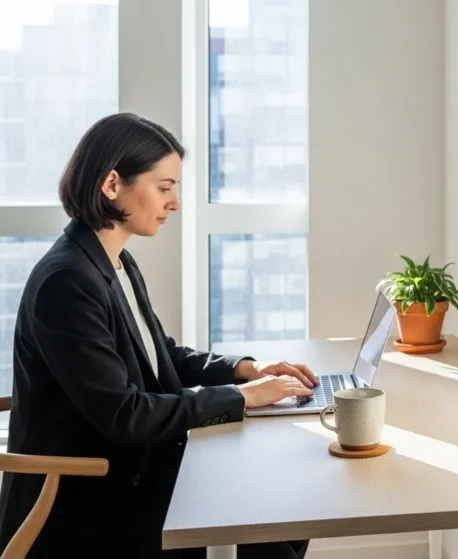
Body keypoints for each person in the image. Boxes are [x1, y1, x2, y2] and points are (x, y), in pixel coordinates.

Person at [0, 113, 317, 558]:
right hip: (89, 499)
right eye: (164, 187)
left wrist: (245, 370)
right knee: (265, 515)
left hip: (132, 469)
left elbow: (157, 354)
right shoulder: (66, 282)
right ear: (112, 185)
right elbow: (125, 414)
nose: (175, 203)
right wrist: (243, 397)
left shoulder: (115, 261)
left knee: (282, 505)